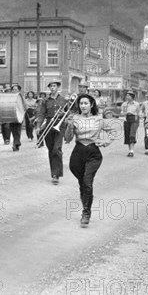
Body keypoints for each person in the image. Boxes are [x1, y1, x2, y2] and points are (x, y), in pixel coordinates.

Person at [64, 93, 114, 226]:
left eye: (86, 103)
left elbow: (112, 131)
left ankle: (86, 212)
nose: (83, 106)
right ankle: (86, 201)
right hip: (78, 152)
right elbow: (67, 139)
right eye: (81, 103)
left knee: (87, 181)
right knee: (82, 183)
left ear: (91, 105)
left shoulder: (98, 119)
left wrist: (105, 142)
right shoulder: (74, 118)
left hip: (93, 153)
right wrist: (69, 126)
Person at [35, 80, 68, 184]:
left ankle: (56, 175)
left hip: (60, 125)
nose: (53, 88)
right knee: (50, 150)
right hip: (49, 124)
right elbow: (41, 114)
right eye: (51, 86)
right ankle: (53, 173)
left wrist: (64, 114)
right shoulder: (45, 101)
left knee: (56, 149)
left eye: (54, 86)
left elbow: (69, 113)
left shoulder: (64, 100)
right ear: (49, 88)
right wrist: (38, 126)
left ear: (58, 87)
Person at [121, 91, 140, 157]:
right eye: (126, 95)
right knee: (127, 134)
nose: (127, 97)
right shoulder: (124, 104)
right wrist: (125, 113)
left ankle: (132, 151)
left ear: (132, 97)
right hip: (127, 118)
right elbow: (122, 112)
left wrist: (137, 120)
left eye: (128, 95)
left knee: (132, 134)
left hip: (134, 119)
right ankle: (130, 151)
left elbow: (138, 113)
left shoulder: (136, 104)